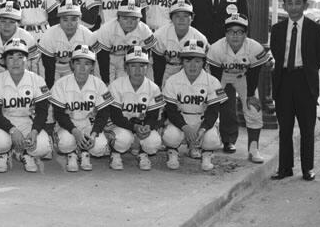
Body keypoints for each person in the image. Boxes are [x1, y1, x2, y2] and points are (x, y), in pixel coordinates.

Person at [185, 0, 249, 151]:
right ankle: (197, 136)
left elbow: (247, 26)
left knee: (227, 96)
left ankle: (229, 138)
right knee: (197, 93)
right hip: (199, 53)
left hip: (227, 54)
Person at [269, 0, 320, 181]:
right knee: (285, 128)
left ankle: (307, 168)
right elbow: (278, 55)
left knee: (306, 128)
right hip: (284, 81)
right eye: (289, 3)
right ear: (284, 6)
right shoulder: (277, 29)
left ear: (305, 5)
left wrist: (308, 70)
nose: (293, 7)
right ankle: (285, 168)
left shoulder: (315, 29)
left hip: (305, 82)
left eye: (297, 3)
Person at [207, 14, 271, 161]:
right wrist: (218, 97)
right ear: (225, 33)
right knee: (210, 104)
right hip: (222, 76)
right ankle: (204, 143)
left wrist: (249, 96)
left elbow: (255, 72)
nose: (235, 35)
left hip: (244, 77)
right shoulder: (216, 48)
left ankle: (253, 149)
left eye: (239, 32)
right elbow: (215, 76)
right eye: (231, 31)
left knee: (253, 108)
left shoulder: (254, 47)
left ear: (245, 33)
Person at [0, 38, 52, 173]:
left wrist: (34, 131)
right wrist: (12, 130)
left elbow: (42, 112)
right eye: (10, 57)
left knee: (43, 147)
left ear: (27, 59)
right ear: (4, 61)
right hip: (3, 123)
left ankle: (25, 154)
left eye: (20, 57)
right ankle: (3, 153)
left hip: (27, 122)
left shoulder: (37, 80)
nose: (15, 62)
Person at [161, 38, 227, 172]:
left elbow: (214, 111)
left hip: (201, 120)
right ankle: (172, 152)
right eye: (188, 61)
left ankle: (206, 154)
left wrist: (203, 129)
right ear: (182, 62)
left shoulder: (212, 81)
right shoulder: (172, 81)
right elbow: (171, 111)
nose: (192, 65)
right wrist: (185, 127)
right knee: (170, 137)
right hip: (180, 120)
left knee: (212, 139)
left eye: (197, 61)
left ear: (203, 62)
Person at [49, 44, 112, 172]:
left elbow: (104, 113)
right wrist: (75, 132)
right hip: (66, 125)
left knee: (99, 147)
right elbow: (59, 114)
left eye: (87, 63)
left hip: (89, 125)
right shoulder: (61, 84)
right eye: (78, 63)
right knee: (65, 143)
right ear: (72, 64)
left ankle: (84, 152)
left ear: (93, 66)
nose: (82, 68)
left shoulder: (99, 84)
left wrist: (94, 134)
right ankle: (71, 153)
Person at [107, 47, 164, 171]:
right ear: (126, 67)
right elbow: (115, 116)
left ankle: (142, 153)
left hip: (141, 127)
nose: (138, 70)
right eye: (133, 65)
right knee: (122, 139)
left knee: (154, 142)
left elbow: (153, 116)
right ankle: (115, 153)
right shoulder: (116, 86)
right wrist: (134, 128)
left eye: (142, 65)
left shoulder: (153, 88)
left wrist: (148, 126)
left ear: (147, 67)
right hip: (119, 126)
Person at [39, 0, 99, 88]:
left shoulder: (88, 36)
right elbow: (48, 68)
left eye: (74, 19)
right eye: (65, 20)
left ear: (80, 19)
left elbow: (95, 64)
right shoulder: (49, 35)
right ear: (59, 20)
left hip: (73, 67)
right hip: (54, 66)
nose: (69, 24)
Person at [151, 0, 209, 89]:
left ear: (192, 18)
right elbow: (158, 63)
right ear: (171, 18)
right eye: (177, 16)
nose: (181, 19)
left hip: (190, 71)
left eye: (185, 16)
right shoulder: (160, 35)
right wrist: (158, 83)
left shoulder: (200, 38)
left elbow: (203, 65)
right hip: (168, 69)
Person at [96, 0, 155, 83]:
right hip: (108, 60)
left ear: (139, 19)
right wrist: (106, 81)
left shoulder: (144, 30)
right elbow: (103, 58)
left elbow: (146, 56)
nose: (129, 22)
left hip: (129, 61)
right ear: (118, 18)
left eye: (134, 19)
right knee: (106, 86)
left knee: (126, 85)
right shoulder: (107, 29)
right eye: (125, 18)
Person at [0, 1, 38, 80]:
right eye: (3, 21)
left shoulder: (28, 39)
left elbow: (32, 65)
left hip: (20, 74)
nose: (7, 26)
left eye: (12, 22)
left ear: (19, 23)